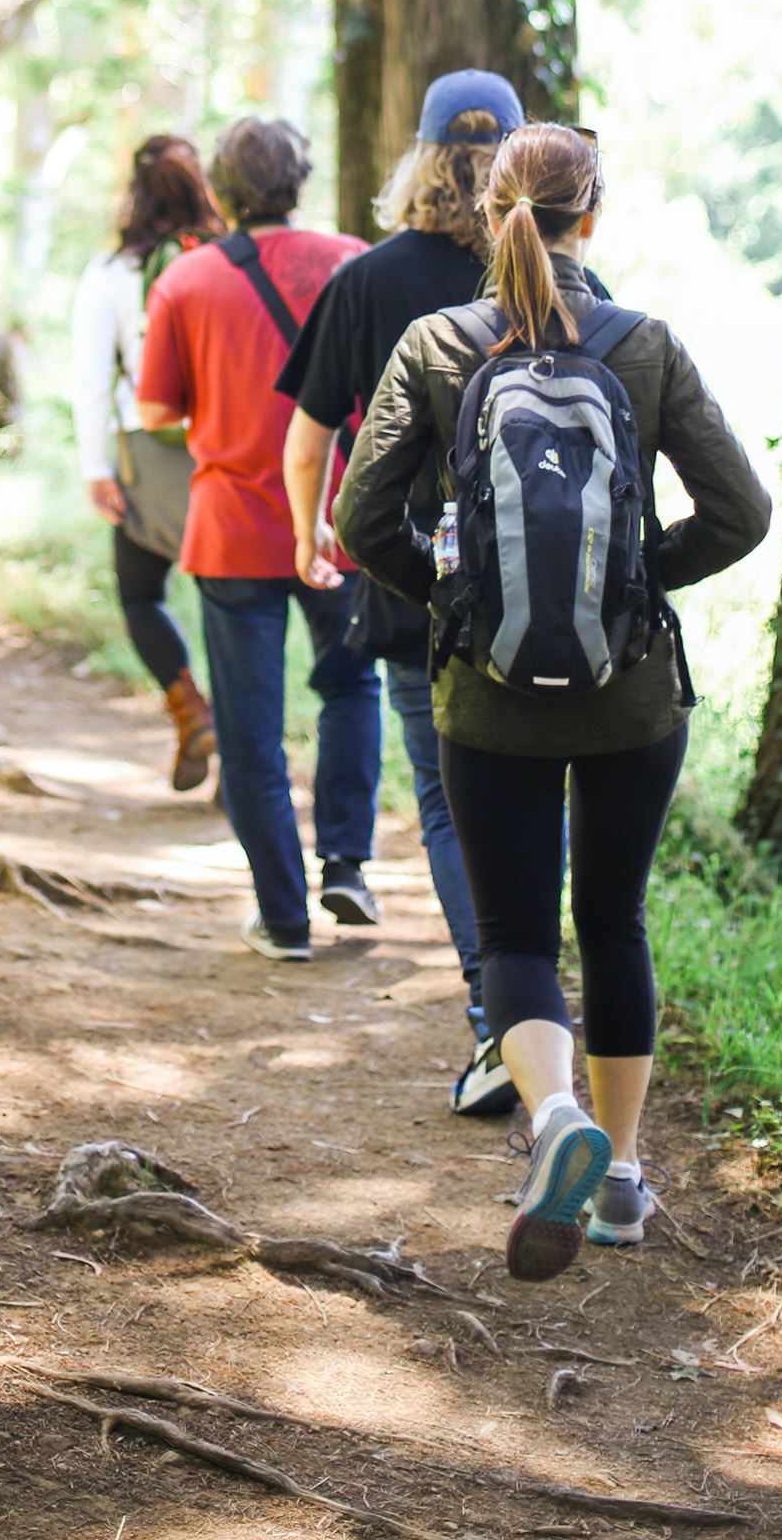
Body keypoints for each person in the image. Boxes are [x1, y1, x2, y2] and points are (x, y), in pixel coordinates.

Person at [335, 122, 770, 1277]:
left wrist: (454, 602)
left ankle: (556, 1118)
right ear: (596, 215)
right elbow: (742, 514)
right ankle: (621, 1180)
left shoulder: (436, 344)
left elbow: (359, 523)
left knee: (521, 931)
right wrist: (634, 585)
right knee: (615, 919)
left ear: (488, 213)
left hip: (487, 698)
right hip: (632, 701)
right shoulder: (646, 344)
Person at [279, 70, 528, 1110]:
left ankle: (497, 1019)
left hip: (414, 582)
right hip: (544, 587)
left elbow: (307, 438)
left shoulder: (369, 281)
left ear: (419, 161)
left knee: (445, 801)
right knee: (537, 793)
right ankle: (545, 1006)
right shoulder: (551, 278)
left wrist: (310, 540)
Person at [136, 115, 370, 960]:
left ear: (223, 192)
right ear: (299, 181)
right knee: (351, 688)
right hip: (341, 518)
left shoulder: (188, 283)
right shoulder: (351, 261)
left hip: (234, 527)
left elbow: (155, 408)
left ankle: (284, 916)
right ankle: (346, 861)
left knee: (250, 729)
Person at [71, 134, 224, 791]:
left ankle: (189, 706)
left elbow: (89, 378)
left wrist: (96, 467)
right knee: (231, 607)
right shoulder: (229, 261)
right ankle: (242, 755)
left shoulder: (112, 274)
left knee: (141, 594)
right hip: (228, 455)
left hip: (146, 455)